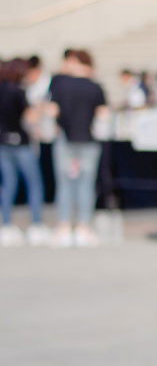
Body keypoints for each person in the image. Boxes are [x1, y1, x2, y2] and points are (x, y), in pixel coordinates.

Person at [48, 50, 109, 247]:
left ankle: (64, 226)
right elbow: (103, 116)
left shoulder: (60, 85)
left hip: (65, 139)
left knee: (65, 183)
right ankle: (84, 226)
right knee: (86, 184)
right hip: (88, 140)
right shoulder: (95, 87)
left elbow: (53, 112)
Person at [0, 59, 48, 247]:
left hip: (3, 142)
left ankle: (6, 224)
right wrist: (39, 108)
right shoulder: (19, 92)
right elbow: (30, 118)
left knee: (8, 184)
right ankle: (36, 224)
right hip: (21, 142)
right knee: (33, 183)